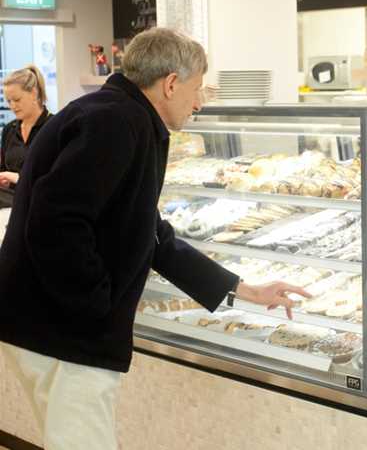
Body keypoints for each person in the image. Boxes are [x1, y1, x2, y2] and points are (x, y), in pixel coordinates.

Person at [0, 27, 310, 449]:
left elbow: (149, 230)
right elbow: (57, 222)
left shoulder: (115, 114)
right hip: (64, 334)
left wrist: (241, 289)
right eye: (197, 89)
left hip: (48, 325)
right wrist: (96, 305)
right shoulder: (115, 123)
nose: (199, 103)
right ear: (170, 84)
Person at [0, 65, 52, 189]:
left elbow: (59, 178)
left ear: (34, 93)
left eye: (17, 100)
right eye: (9, 101)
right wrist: (4, 181)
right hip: (10, 203)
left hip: (41, 204)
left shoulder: (54, 127)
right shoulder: (9, 130)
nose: (12, 106)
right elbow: (4, 170)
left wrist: (19, 178)